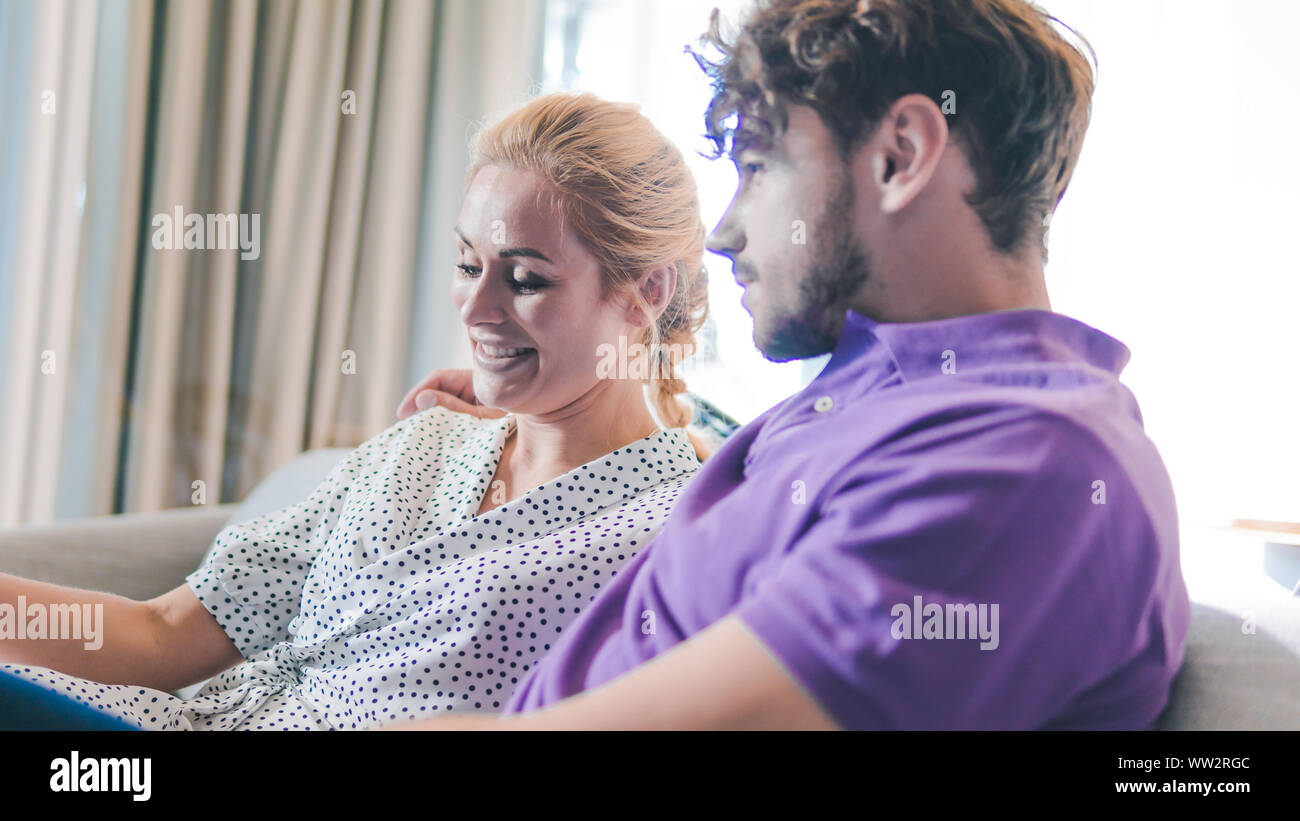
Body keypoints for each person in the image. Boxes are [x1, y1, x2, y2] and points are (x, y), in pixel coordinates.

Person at [388, 0, 1190, 730]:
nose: (723, 232)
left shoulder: (1025, 467)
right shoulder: (897, 398)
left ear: (901, 155)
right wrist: (542, 409)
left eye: (758, 165)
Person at [0, 92, 713, 730]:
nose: (476, 306)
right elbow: (163, 632)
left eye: (525, 278)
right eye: (468, 265)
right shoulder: (424, 445)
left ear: (646, 290)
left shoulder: (669, 536)